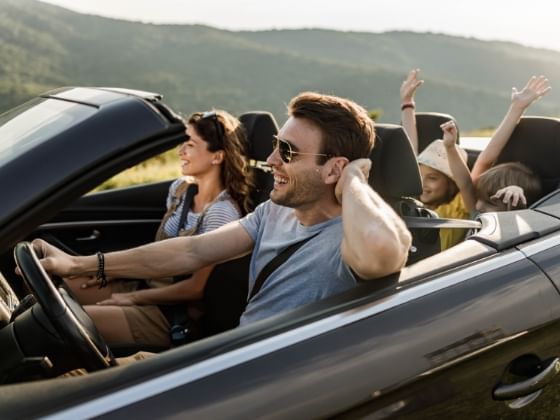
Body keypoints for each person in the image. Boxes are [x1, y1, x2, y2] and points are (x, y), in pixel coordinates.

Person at [28, 91, 412, 339]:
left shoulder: (349, 239)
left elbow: (383, 248)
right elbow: (191, 251)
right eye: (276, 146)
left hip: (267, 382)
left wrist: (355, 182)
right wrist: (79, 264)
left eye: (288, 153)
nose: (271, 160)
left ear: (334, 170)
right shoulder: (272, 214)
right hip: (234, 355)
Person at [65, 110, 254, 348]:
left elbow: (195, 289)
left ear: (217, 156)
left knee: (71, 321)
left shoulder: (221, 214)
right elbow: (158, 254)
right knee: (61, 287)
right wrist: (113, 271)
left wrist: (132, 298)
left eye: (190, 145)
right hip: (147, 285)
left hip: (172, 314)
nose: (181, 151)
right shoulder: (180, 190)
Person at [399, 69, 470, 250]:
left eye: (433, 178)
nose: (423, 183)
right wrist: (407, 103)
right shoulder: (411, 202)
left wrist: (450, 148)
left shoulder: (457, 208)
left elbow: (465, 183)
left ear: (450, 183)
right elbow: (409, 150)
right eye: (421, 176)